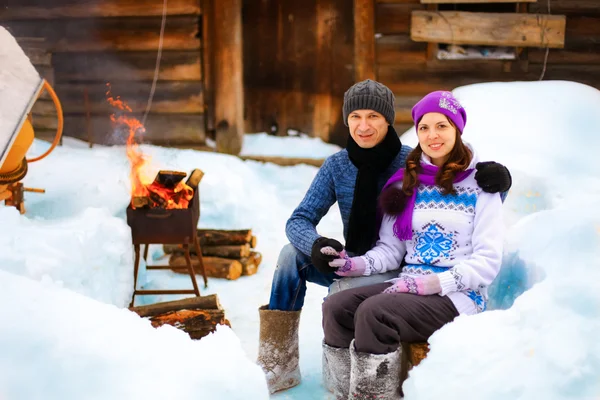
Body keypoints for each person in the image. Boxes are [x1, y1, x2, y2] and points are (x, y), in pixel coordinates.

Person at [257, 80, 512, 394]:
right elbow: (382, 242)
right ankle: (294, 372)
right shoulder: (396, 177)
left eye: (373, 116)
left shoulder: (414, 165)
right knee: (319, 288)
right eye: (355, 117)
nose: (364, 126)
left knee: (365, 309)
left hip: (433, 282)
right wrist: (327, 251)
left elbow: (482, 225)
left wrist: (504, 183)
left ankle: (371, 391)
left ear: (389, 120)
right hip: (382, 264)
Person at [320, 90, 504, 399]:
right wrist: (354, 264)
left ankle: (374, 395)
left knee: (374, 313)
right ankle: (341, 391)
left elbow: (488, 261)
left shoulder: (482, 185)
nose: (432, 135)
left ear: (457, 129)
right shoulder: (408, 183)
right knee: (337, 306)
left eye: (441, 126)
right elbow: (392, 250)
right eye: (424, 128)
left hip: (457, 294)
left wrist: (432, 283)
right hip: (407, 285)